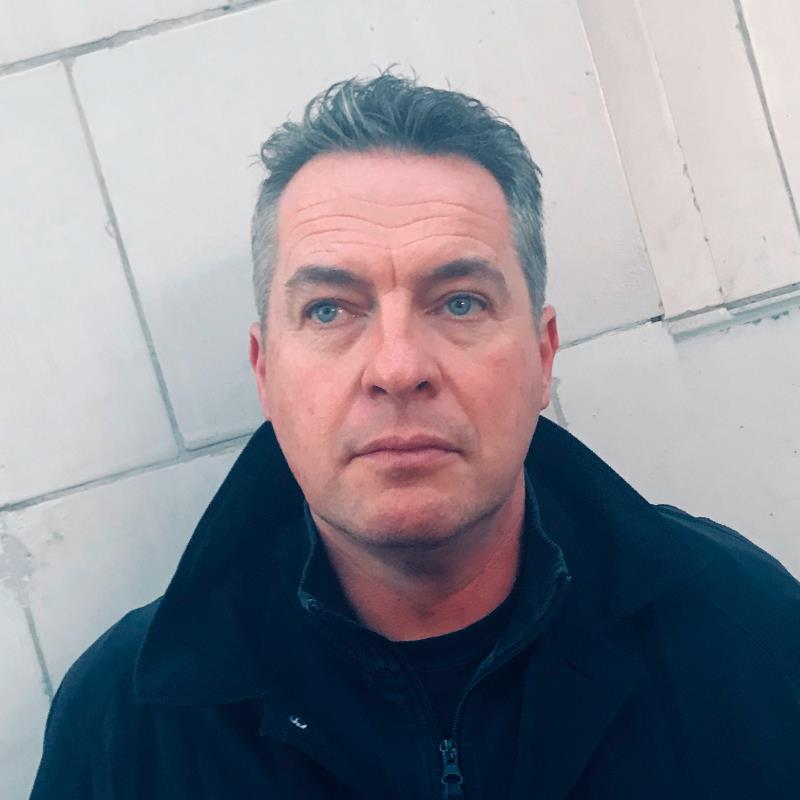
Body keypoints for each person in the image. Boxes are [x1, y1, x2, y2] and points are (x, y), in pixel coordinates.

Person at [30, 71, 800, 800]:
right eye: (330, 310)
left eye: (460, 302)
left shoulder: (743, 631)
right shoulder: (124, 728)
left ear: (542, 356)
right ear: (265, 372)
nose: (398, 368)